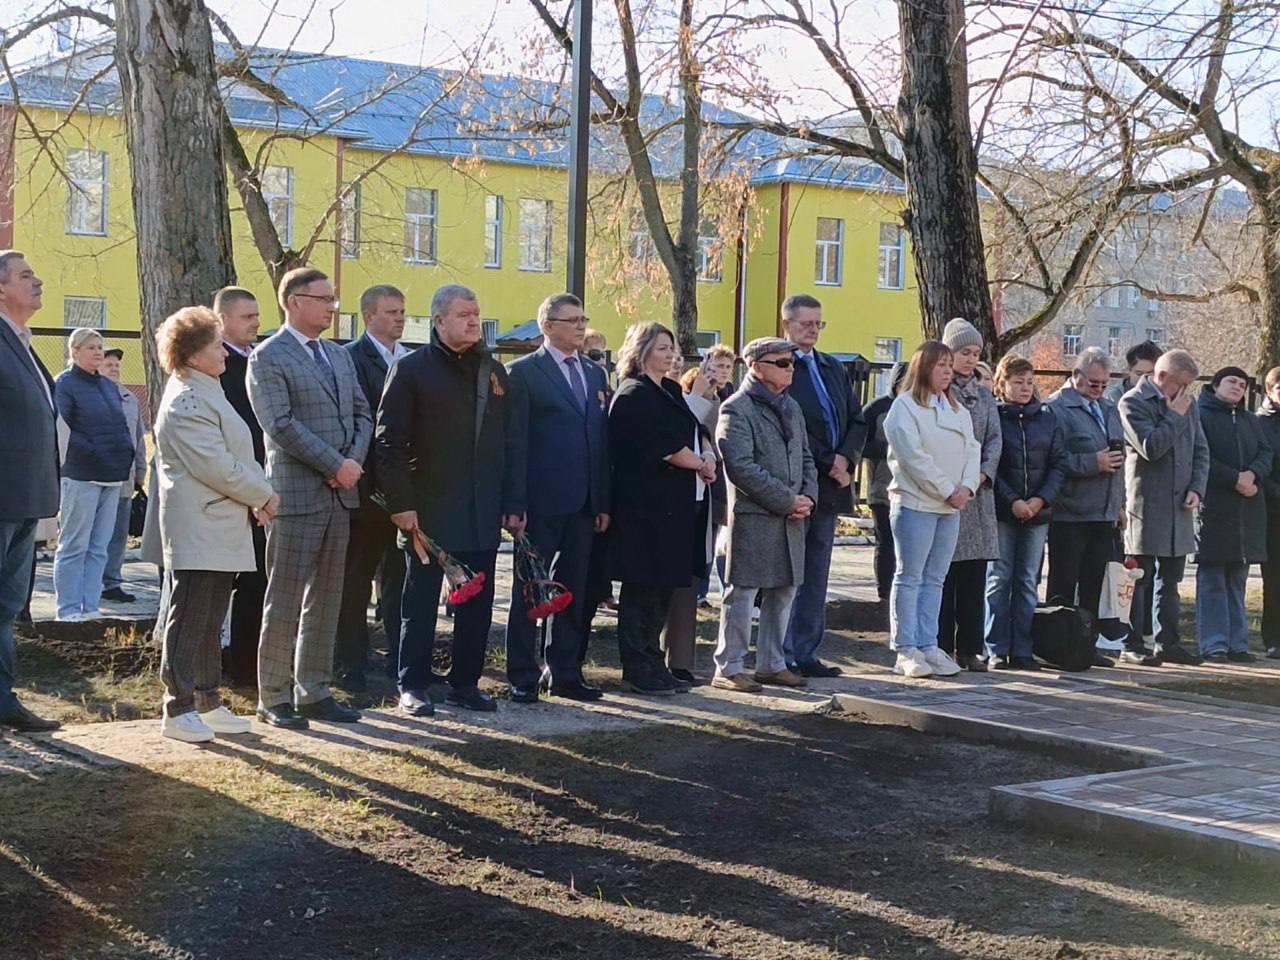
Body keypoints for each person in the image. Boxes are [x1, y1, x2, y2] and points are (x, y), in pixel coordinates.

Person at [247, 267, 372, 728]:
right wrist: (334, 465)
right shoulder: (267, 357)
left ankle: (313, 690)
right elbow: (279, 424)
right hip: (298, 496)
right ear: (295, 301)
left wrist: (352, 463)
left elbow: (362, 411)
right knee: (284, 598)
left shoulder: (338, 355)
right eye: (324, 299)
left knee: (327, 598)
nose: (331, 307)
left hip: (341, 495)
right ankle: (273, 695)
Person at [378, 284, 508, 716]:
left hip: (481, 504)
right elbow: (389, 443)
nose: (473, 321)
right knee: (420, 599)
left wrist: (512, 500)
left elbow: (509, 441)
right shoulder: (412, 369)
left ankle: (465, 683)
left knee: (478, 599)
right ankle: (412, 684)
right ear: (438, 320)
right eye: (463, 315)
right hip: (429, 507)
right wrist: (401, 503)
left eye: (476, 314)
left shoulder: (491, 370)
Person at [152, 307, 279, 743]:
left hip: (220, 522)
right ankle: (177, 705)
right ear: (190, 354)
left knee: (210, 617)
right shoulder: (187, 397)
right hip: (200, 523)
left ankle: (207, 700)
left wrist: (255, 495)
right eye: (213, 344)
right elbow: (217, 466)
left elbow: (234, 458)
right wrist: (263, 494)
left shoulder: (207, 388)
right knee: (191, 615)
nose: (223, 351)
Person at [502, 293, 609, 703]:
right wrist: (514, 503)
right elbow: (515, 442)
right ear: (548, 326)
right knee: (531, 590)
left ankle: (564, 671)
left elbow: (598, 443)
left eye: (583, 319)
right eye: (572, 320)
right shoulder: (523, 374)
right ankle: (522, 674)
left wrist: (601, 503)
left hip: (583, 505)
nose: (581, 327)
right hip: (538, 504)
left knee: (574, 591)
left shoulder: (594, 375)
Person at [607, 321, 710, 695]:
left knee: (664, 588)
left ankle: (655, 660)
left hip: (674, 509)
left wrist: (708, 454)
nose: (670, 354)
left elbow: (693, 431)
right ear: (642, 350)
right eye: (662, 347)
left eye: (672, 348)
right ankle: (637, 666)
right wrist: (699, 464)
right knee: (642, 590)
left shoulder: (668, 390)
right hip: (643, 509)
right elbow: (662, 444)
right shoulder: (634, 394)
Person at [712, 337, 817, 691]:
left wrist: (808, 498)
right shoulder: (736, 408)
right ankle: (729, 667)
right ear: (756, 366)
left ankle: (772, 663)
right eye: (782, 363)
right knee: (742, 593)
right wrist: (787, 500)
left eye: (792, 363)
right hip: (756, 516)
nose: (791, 370)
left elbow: (806, 459)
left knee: (784, 590)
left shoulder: (791, 407)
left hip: (791, 517)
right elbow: (740, 466)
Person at [883, 341, 981, 679]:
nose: (947, 371)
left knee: (935, 578)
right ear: (923, 367)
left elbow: (972, 449)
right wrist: (946, 488)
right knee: (910, 576)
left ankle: (928, 644)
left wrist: (967, 487)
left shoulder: (957, 410)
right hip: (916, 503)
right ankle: (906, 648)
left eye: (949, 365)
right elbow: (913, 457)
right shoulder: (905, 408)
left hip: (950, 507)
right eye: (940, 365)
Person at [782, 294, 864, 677]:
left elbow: (856, 418)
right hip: (798, 484)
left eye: (818, 323)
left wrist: (846, 457)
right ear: (787, 325)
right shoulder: (780, 367)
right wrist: (827, 459)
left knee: (817, 573)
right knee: (790, 574)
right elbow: (790, 426)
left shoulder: (831, 367)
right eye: (806, 324)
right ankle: (780, 652)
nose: (813, 330)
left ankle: (806, 651)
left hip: (832, 486)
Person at [334, 285, 410, 693]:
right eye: (391, 311)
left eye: (402, 311)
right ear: (368, 316)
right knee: (356, 580)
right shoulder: (350, 359)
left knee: (401, 580)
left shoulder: (411, 360)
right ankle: (350, 661)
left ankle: (403, 660)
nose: (399, 318)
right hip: (364, 491)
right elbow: (355, 421)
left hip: (403, 492)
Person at [1117, 349, 1209, 666]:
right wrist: (1174, 415)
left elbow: (1201, 450)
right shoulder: (1132, 403)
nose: (1185, 392)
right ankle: (1130, 642)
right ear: (1162, 376)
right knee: (1138, 578)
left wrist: (1197, 488)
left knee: (1170, 581)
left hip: (1179, 505)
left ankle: (1167, 642)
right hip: (1146, 503)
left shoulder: (1188, 404)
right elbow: (1151, 448)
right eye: (1181, 384)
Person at [0, 251, 60, 732]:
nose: (36, 281)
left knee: (6, 605)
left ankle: (3, 701)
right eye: (25, 275)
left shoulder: (22, 340)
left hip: (23, 497)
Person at [1044, 348, 1127, 660]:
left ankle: (1085, 646)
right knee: (1064, 584)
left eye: (1105, 384)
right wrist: (1093, 463)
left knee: (1094, 585)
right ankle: (1057, 646)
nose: (1099, 389)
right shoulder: (1056, 408)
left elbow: (1120, 458)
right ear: (1075, 376)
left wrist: (1120, 503)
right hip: (1071, 512)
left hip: (1103, 512)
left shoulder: (1108, 409)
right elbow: (1055, 460)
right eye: (1094, 383)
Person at [985, 355, 1066, 670]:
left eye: (1029, 382)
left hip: (1038, 512)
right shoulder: (995, 416)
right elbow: (992, 461)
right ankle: (995, 647)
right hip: (1004, 510)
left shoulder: (1048, 417)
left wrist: (1040, 500)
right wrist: (1013, 501)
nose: (1024, 388)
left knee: (1027, 580)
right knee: (999, 579)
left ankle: (1022, 648)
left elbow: (1058, 463)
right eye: (1017, 382)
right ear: (1002, 384)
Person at [53, 327, 134, 622]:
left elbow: (123, 427)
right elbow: (64, 430)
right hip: (81, 475)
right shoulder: (64, 385)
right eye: (91, 347)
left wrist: (126, 455)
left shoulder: (108, 386)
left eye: (100, 347)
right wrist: (92, 454)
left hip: (112, 475)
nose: (98, 352)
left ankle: (89, 606)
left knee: (99, 547)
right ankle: (68, 609)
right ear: (74, 352)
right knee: (75, 544)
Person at [1195, 366, 1271, 664]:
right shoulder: (1200, 416)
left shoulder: (1251, 420)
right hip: (1215, 508)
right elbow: (1202, 457)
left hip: (1247, 512)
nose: (1237, 387)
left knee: (1237, 580)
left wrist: (1252, 475)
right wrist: (1234, 478)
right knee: (1213, 578)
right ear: (1215, 385)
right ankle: (1214, 644)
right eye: (1231, 381)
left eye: (1242, 384)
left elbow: (1266, 453)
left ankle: (1238, 644)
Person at [937, 318, 1001, 671]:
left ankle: (971, 647)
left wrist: (981, 475)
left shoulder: (985, 395)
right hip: (947, 492)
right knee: (945, 576)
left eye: (975, 353)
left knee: (974, 577)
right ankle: (943, 644)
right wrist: (956, 481)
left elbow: (994, 439)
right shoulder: (940, 393)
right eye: (964, 352)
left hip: (977, 496)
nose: (970, 359)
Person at [658, 364, 727, 684]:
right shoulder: (652, 396)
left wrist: (709, 456)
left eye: (676, 358)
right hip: (667, 502)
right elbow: (676, 434)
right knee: (662, 584)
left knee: (687, 582)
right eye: (665, 356)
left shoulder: (696, 400)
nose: (673, 364)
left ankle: (681, 661)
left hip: (699, 499)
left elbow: (703, 436)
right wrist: (697, 396)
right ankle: (655, 659)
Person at [214, 285, 266, 687]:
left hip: (264, 483)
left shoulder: (258, 361)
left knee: (258, 579)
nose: (256, 322)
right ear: (223, 320)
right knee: (229, 582)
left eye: (256, 315)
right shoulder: (217, 366)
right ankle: (224, 662)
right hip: (231, 485)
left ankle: (249, 662)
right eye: (247, 316)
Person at [99, 347, 146, 604]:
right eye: (109, 364)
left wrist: (140, 471)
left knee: (118, 533)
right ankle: (89, 581)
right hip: (95, 477)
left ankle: (111, 582)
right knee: (95, 533)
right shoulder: (90, 396)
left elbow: (138, 438)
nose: (115, 368)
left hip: (125, 478)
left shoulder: (130, 398)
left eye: (117, 365)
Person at [861, 361, 909, 601]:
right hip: (881, 487)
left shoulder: (923, 406)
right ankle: (884, 594)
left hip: (913, 489)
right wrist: (892, 449)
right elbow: (859, 445)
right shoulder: (876, 409)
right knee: (886, 542)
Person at [1259, 367, 1280, 659]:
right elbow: (1262, 463)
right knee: (1275, 576)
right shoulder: (1261, 423)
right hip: (1273, 509)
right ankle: (1273, 637)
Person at [1105, 340, 1163, 404]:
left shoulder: (1168, 395)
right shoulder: (1115, 397)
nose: (1144, 379)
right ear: (1129, 370)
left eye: (1150, 374)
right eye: (1139, 374)